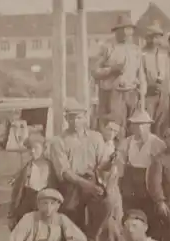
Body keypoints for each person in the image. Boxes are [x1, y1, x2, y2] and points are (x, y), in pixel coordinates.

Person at [48, 99, 117, 240]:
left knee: (107, 204)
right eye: (71, 118)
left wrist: (110, 162)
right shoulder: (58, 141)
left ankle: (92, 236)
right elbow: (65, 172)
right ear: (66, 119)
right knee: (72, 218)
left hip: (93, 181)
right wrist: (88, 186)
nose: (75, 122)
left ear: (85, 118)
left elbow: (102, 164)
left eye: (78, 117)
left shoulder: (96, 137)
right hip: (70, 186)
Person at [91, 15, 147, 140]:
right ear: (117, 32)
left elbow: (141, 74)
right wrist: (111, 70)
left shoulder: (136, 50)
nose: (126, 33)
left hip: (132, 93)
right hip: (113, 94)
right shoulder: (108, 48)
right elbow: (94, 71)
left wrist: (142, 94)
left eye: (129, 30)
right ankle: (115, 154)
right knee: (115, 128)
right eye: (122, 30)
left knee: (133, 127)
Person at [117, 109, 166, 236]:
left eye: (143, 124)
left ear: (149, 126)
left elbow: (162, 167)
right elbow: (120, 164)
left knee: (150, 217)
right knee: (132, 216)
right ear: (131, 126)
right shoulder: (127, 143)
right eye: (136, 125)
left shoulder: (157, 143)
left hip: (149, 182)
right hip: (131, 184)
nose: (139, 128)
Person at [8, 133, 59, 231]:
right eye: (30, 148)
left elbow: (56, 192)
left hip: (46, 211)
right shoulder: (26, 169)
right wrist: (11, 215)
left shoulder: (52, 168)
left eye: (36, 148)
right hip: (26, 212)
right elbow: (16, 193)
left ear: (44, 149)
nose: (32, 151)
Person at [9, 188, 87, 241]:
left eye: (52, 203)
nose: (48, 207)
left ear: (58, 206)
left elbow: (80, 238)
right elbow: (15, 238)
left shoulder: (62, 219)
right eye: (44, 203)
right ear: (38, 205)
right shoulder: (29, 218)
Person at [142, 23, 170, 138]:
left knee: (162, 123)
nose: (155, 40)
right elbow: (140, 76)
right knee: (148, 121)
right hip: (148, 94)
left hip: (163, 92)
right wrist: (146, 89)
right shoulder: (142, 55)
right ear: (147, 38)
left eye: (158, 37)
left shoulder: (164, 55)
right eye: (152, 37)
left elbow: (168, 77)